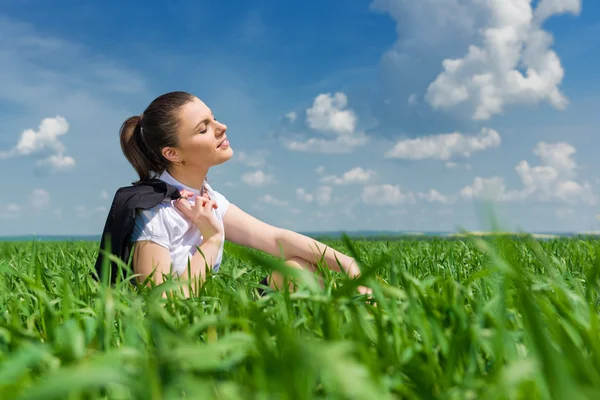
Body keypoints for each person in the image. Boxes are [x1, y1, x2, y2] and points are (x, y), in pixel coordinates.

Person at [119, 91, 371, 297]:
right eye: (203, 129)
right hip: (187, 338)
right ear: (172, 153)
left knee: (300, 267)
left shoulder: (206, 197)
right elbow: (162, 304)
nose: (222, 127)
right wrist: (213, 239)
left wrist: (350, 265)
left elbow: (275, 240)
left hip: (216, 314)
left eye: (214, 119)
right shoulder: (153, 213)